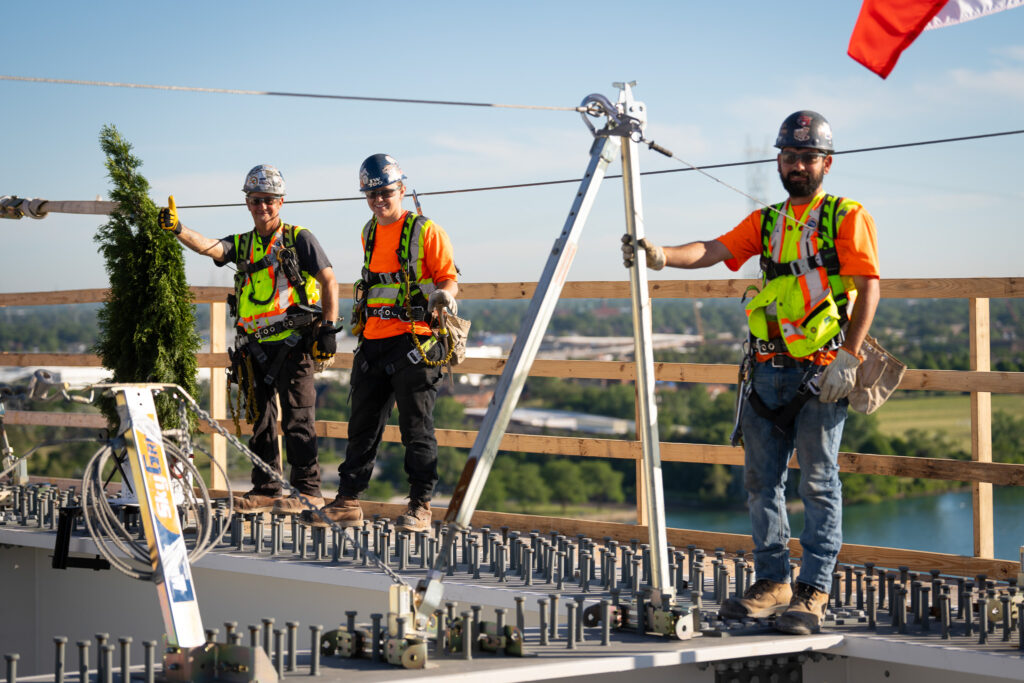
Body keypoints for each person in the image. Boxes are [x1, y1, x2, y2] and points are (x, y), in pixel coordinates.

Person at [623, 111, 879, 635]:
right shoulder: (767, 222)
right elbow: (715, 250)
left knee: (819, 483)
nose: (798, 166)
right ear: (780, 162)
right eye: (790, 157)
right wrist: (662, 255)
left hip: (821, 371)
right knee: (762, 482)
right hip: (767, 370)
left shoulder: (845, 217)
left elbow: (869, 286)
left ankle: (812, 591)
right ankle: (773, 581)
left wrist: (850, 358)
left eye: (808, 158)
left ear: (826, 163)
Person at [158, 164, 339, 515]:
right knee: (260, 420)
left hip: (294, 342)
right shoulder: (244, 243)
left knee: (298, 419)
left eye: (269, 200)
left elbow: (329, 280)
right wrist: (178, 229)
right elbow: (211, 247)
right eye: (256, 200)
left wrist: (329, 330)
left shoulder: (299, 238)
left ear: (281, 202)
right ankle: (267, 488)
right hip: (254, 346)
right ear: (248, 202)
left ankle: (308, 491)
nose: (263, 207)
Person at [304, 154, 458, 533]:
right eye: (371, 194)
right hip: (373, 341)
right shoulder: (369, 231)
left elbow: (448, 278)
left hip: (415, 344)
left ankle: (421, 506)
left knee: (416, 429)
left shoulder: (427, 231)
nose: (378, 200)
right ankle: (348, 501)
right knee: (362, 426)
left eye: (385, 192)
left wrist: (444, 297)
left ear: (401, 190)